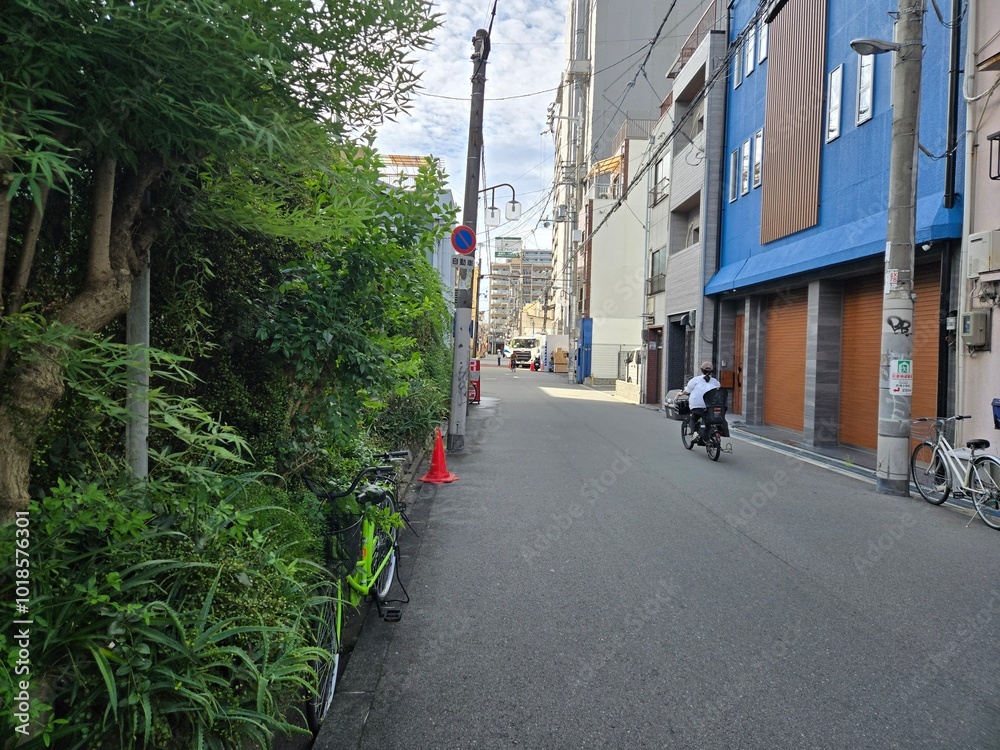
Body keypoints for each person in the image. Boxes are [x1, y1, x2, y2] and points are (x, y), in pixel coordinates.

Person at [680, 361, 721, 443]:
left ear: (701, 370)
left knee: (693, 418)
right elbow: (718, 389)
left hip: (697, 405)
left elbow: (687, 390)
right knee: (709, 419)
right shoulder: (715, 382)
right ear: (711, 371)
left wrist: (681, 393)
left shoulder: (694, 380)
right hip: (711, 406)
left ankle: (694, 433)